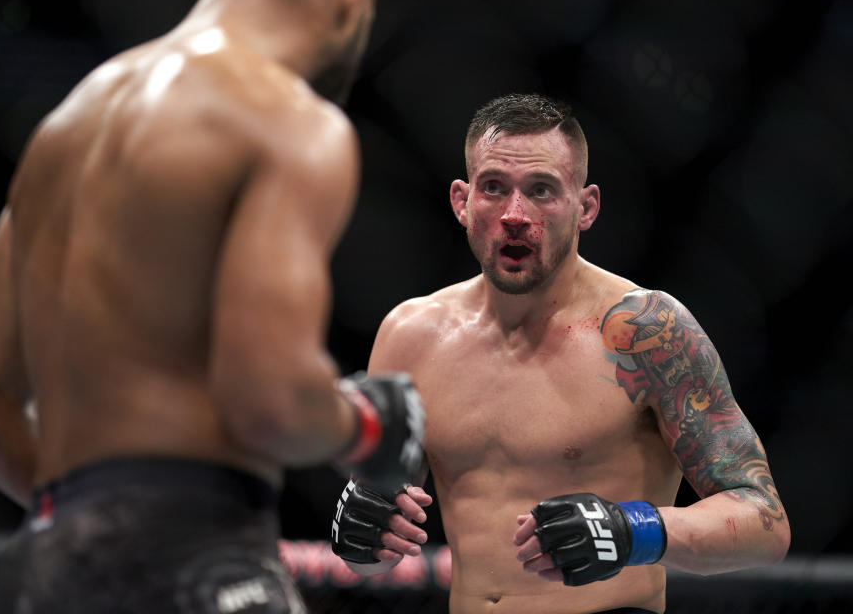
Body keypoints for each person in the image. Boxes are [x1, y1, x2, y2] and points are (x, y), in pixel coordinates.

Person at [0, 0, 427, 612]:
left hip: (46, 568)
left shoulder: (68, 126)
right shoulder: (288, 121)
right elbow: (270, 401)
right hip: (196, 556)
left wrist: (93, 525)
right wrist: (368, 426)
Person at [329, 93, 790, 614]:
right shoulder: (409, 335)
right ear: (462, 201)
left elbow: (764, 521)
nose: (515, 215)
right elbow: (379, 550)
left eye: (541, 190)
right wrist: (361, 534)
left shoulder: (646, 331)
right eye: (494, 188)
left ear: (586, 206)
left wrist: (632, 529)